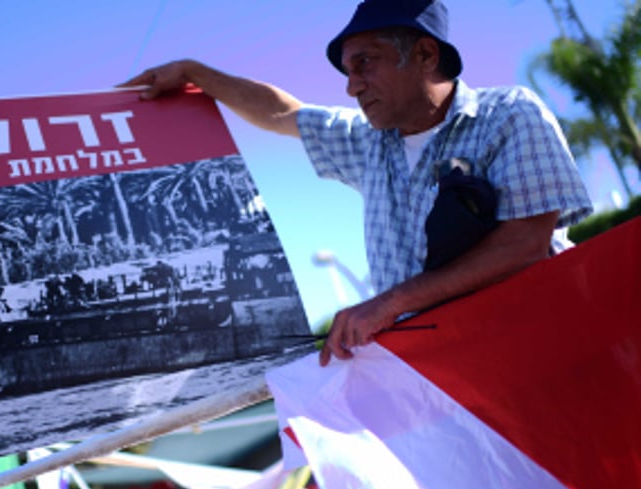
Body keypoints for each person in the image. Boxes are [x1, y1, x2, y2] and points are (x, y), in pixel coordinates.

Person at [122, 0, 593, 365]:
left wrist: (388, 304)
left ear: (426, 54)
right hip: (442, 378)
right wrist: (194, 73)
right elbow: (282, 112)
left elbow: (525, 243)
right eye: (348, 71)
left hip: (539, 354)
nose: (351, 86)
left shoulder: (507, 114)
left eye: (365, 63)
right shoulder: (370, 144)